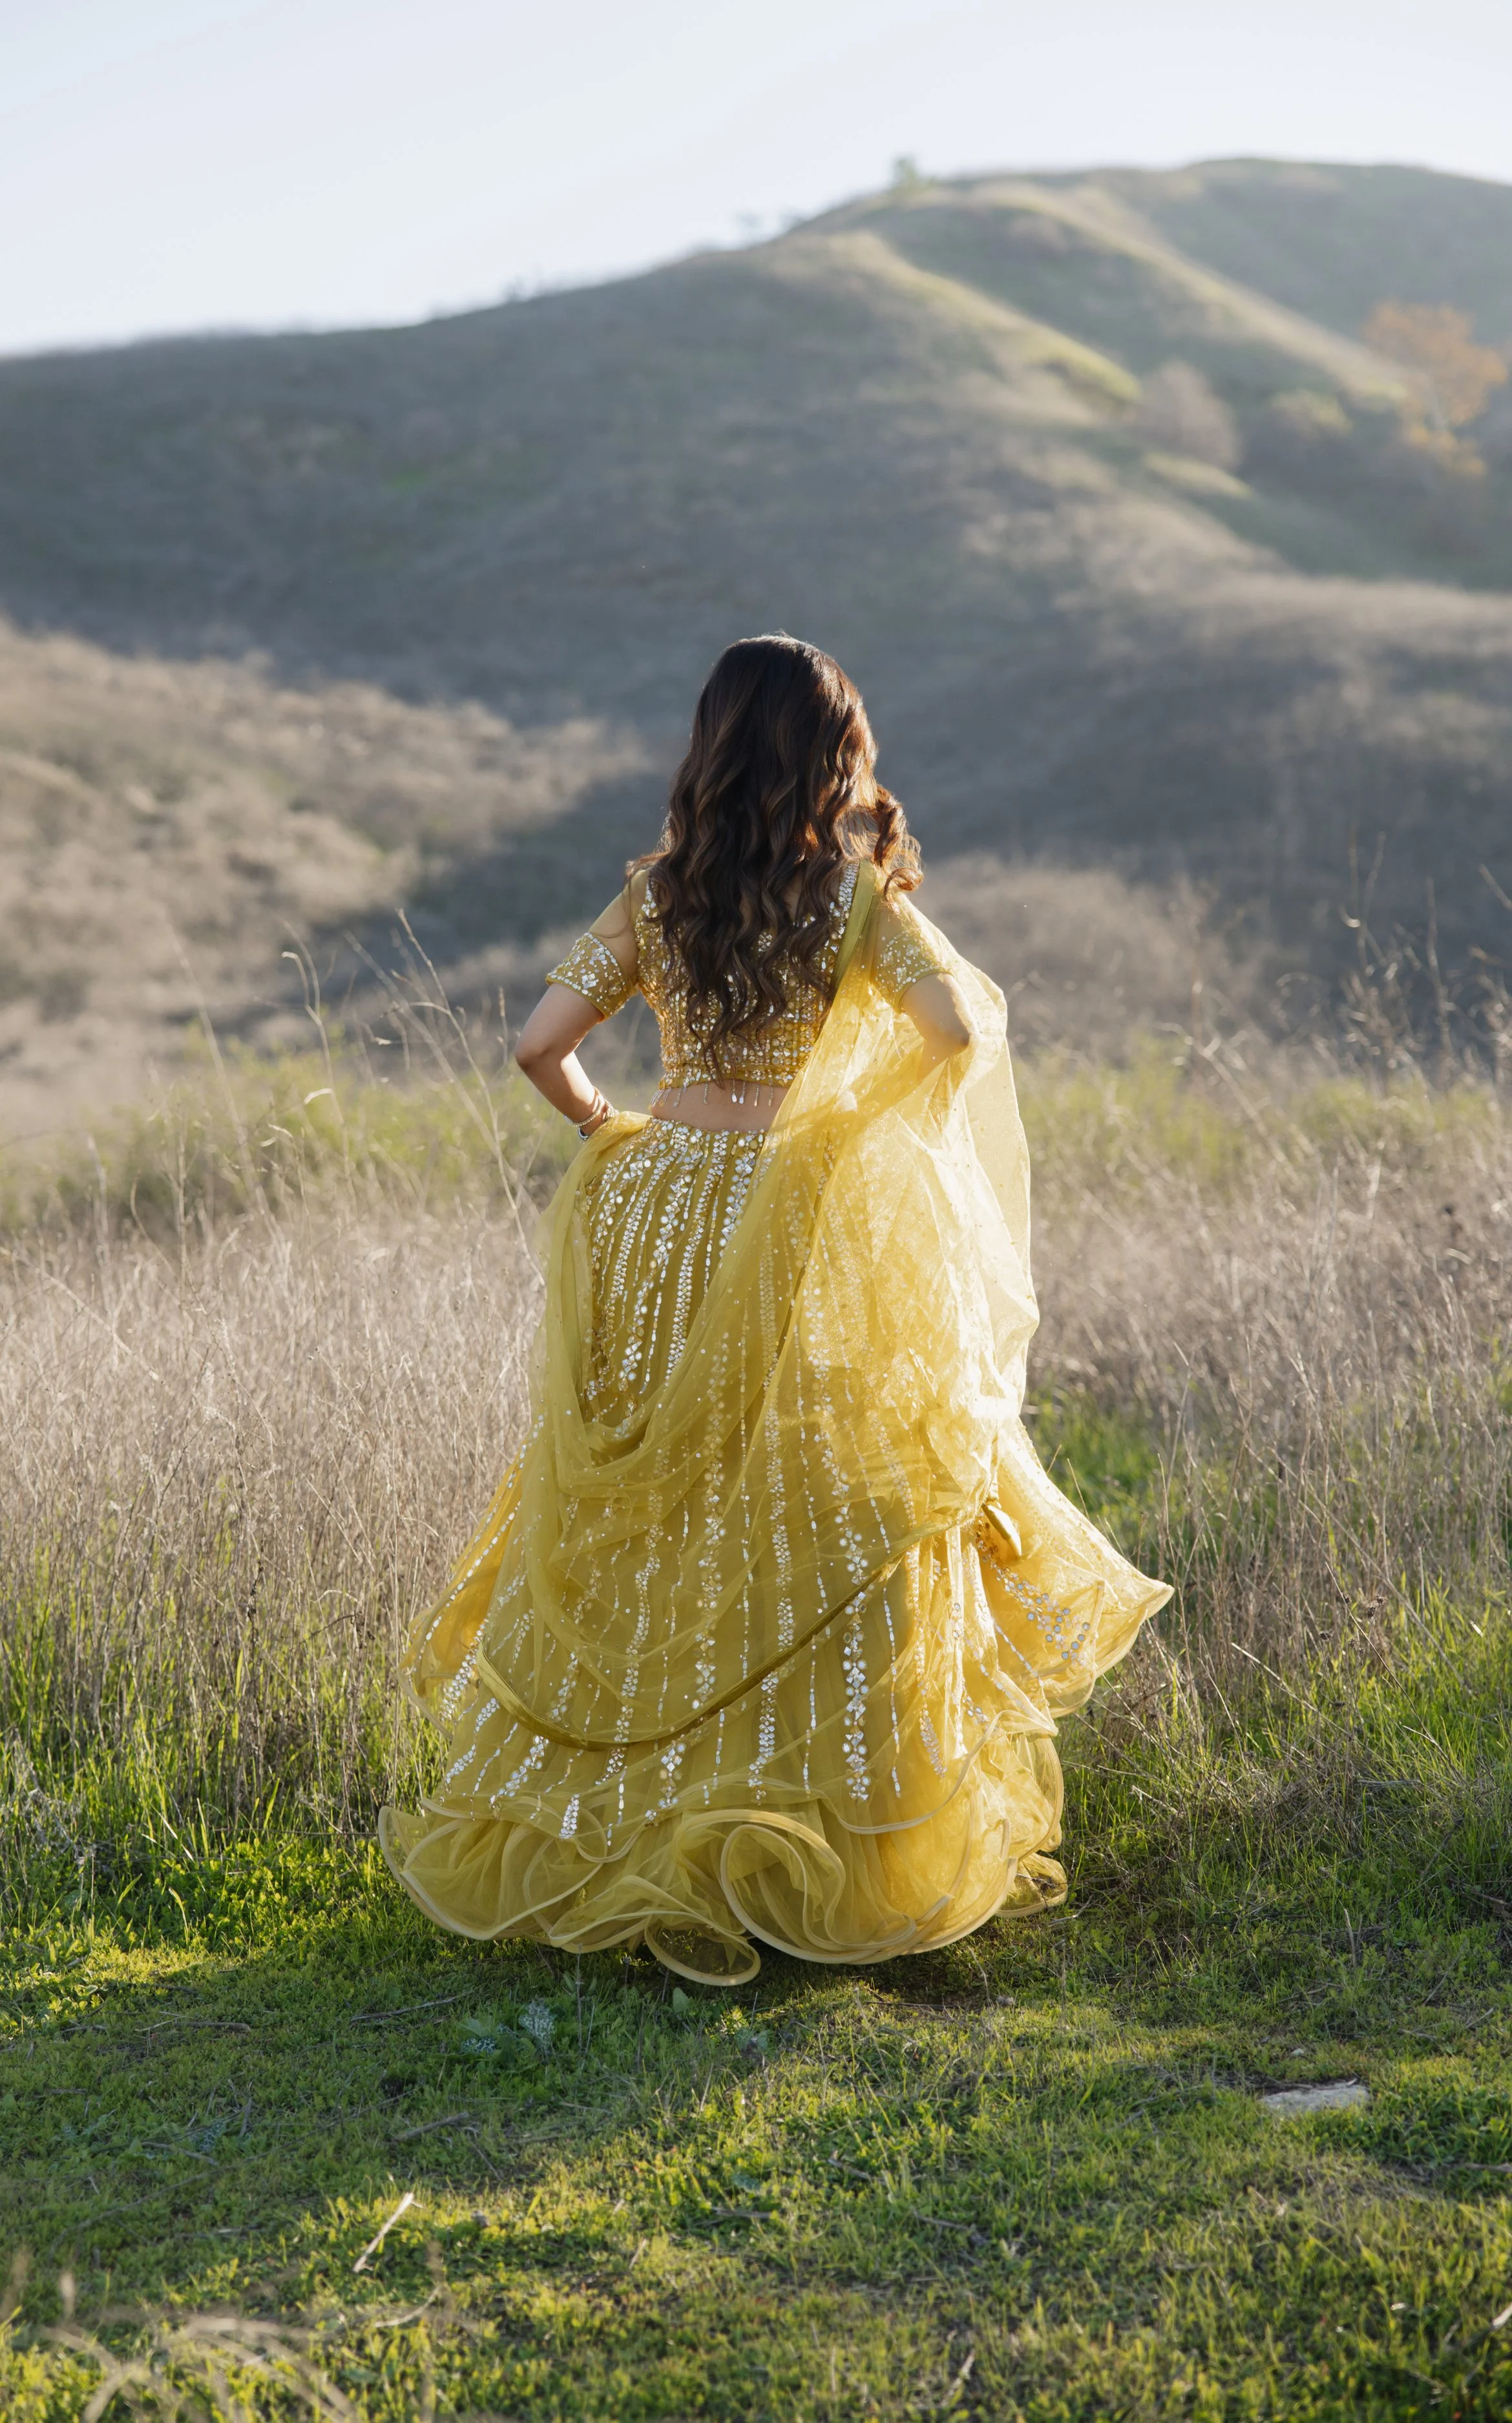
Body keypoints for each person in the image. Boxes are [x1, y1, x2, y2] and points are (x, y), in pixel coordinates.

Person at [380, 635, 1169, 1986]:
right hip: (787, 1221)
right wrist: (840, 1133)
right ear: (828, 754)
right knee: (811, 1500)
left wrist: (610, 1128)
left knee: (657, 1515)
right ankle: (817, 1837)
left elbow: (534, 1046)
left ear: (709, 745)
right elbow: (956, 1031)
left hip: (657, 1208)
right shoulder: (847, 902)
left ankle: (622, 1832)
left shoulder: (653, 896)